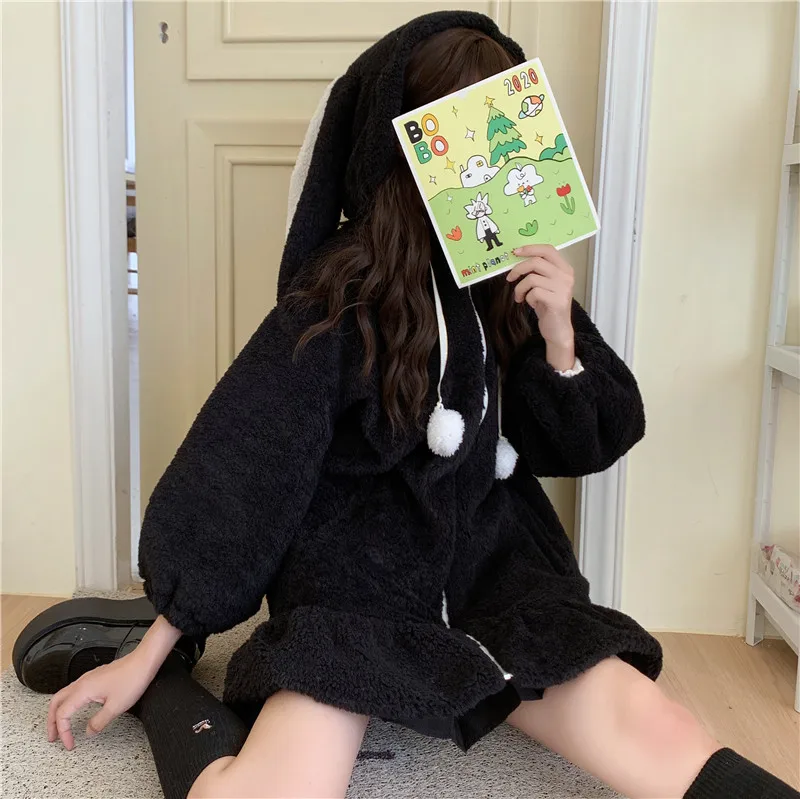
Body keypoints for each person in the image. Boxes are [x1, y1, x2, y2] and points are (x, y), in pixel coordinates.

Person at [13, 12, 798, 799]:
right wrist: (155, 646)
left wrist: (560, 334)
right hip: (357, 582)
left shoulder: (510, 279)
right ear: (410, 150)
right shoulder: (336, 295)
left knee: (663, 733)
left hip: (496, 569)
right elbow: (247, 462)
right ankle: (165, 688)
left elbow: (589, 440)